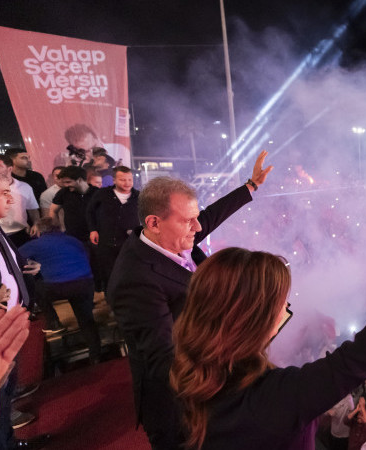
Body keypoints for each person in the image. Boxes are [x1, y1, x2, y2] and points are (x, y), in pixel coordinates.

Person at [169, 199, 366, 449]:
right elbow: (359, 357)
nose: (287, 309)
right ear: (251, 319)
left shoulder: (189, 371)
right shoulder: (276, 398)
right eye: (279, 304)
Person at [107, 151, 272, 450]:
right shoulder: (135, 280)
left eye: (196, 219)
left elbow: (208, 217)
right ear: (154, 222)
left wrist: (251, 186)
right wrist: (230, 365)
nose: (198, 229)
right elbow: (164, 361)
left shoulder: (172, 236)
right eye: (188, 221)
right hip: (179, 409)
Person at [0, 172, 45, 449]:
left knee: (6, 394)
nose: (12, 199)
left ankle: (9, 442)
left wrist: (27, 266)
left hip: (10, 325)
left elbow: (7, 260)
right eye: (3, 193)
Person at [19, 217, 102, 362]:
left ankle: (53, 322)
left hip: (54, 287)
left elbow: (14, 258)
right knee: (86, 319)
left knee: (35, 287)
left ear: (39, 231)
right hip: (84, 283)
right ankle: (96, 356)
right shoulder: (74, 241)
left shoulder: (35, 244)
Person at [86, 166, 138, 291]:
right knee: (108, 274)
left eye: (129, 180)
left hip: (129, 244)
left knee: (130, 272)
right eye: (122, 180)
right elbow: (90, 212)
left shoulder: (138, 196)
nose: (127, 183)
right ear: (114, 180)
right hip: (106, 242)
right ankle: (111, 301)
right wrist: (93, 230)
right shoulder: (102, 194)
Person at [0, 155, 40, 248]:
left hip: (19, 234)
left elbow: (33, 210)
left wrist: (36, 224)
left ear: (9, 168)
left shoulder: (24, 187)